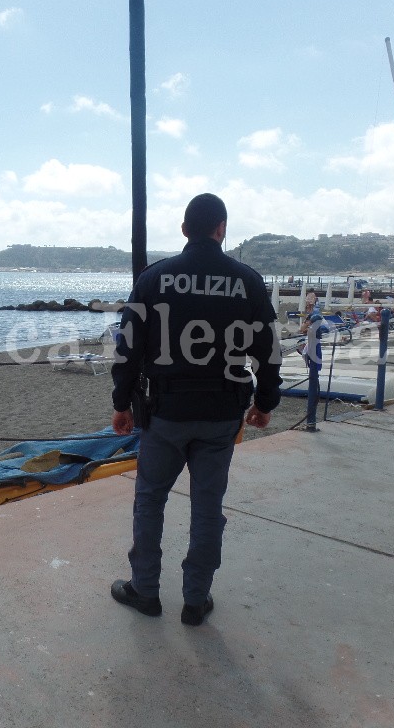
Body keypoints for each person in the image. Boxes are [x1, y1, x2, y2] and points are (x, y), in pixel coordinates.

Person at [109, 193, 282, 627]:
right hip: (221, 412)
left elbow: (128, 348)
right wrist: (265, 401)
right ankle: (195, 599)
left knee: (150, 501)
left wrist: (120, 403)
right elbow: (269, 350)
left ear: (184, 229)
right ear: (222, 229)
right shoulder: (248, 281)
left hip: (165, 412)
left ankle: (145, 590)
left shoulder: (154, 278)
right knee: (208, 507)